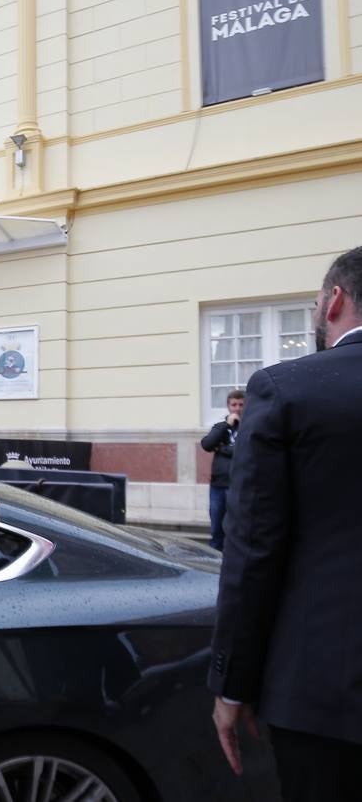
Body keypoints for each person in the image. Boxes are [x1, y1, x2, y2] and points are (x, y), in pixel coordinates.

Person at [210, 246, 362, 800]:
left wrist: (232, 685)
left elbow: (253, 550)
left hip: (325, 690)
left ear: (335, 302)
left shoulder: (288, 389)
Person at [199, 389, 243, 551]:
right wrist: (227, 425)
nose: (237, 408)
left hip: (238, 486)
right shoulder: (221, 427)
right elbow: (207, 444)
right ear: (228, 406)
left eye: (241, 405)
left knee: (237, 528)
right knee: (217, 527)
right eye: (234, 405)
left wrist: (223, 448)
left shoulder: (250, 427)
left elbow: (244, 450)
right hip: (218, 485)